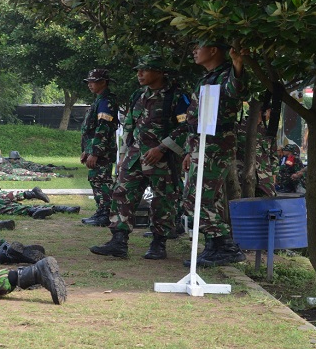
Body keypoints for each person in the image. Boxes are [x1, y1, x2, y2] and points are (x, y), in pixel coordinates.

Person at [90, 54, 189, 260]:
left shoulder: (177, 96)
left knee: (162, 200)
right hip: (135, 156)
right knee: (122, 192)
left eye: (145, 69)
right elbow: (129, 125)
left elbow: (186, 126)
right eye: (138, 70)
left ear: (160, 72)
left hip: (163, 159)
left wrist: (162, 147)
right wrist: (123, 154)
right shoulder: (138, 94)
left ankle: (158, 243)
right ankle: (118, 241)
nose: (139, 74)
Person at [181, 40, 249, 267]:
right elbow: (195, 121)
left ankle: (226, 245)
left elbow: (234, 92)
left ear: (212, 50)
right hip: (200, 145)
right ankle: (215, 246)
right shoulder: (206, 77)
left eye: (197, 47)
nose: (193, 51)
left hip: (215, 146)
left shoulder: (226, 74)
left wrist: (238, 65)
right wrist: (190, 151)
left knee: (195, 199)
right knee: (213, 199)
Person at [79, 68, 119, 226]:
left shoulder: (106, 101)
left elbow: (103, 128)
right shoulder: (99, 100)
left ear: (103, 82)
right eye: (88, 81)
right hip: (96, 149)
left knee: (102, 180)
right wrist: (87, 151)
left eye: (93, 81)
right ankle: (102, 211)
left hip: (102, 151)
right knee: (96, 179)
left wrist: (95, 153)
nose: (90, 84)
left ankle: (105, 213)